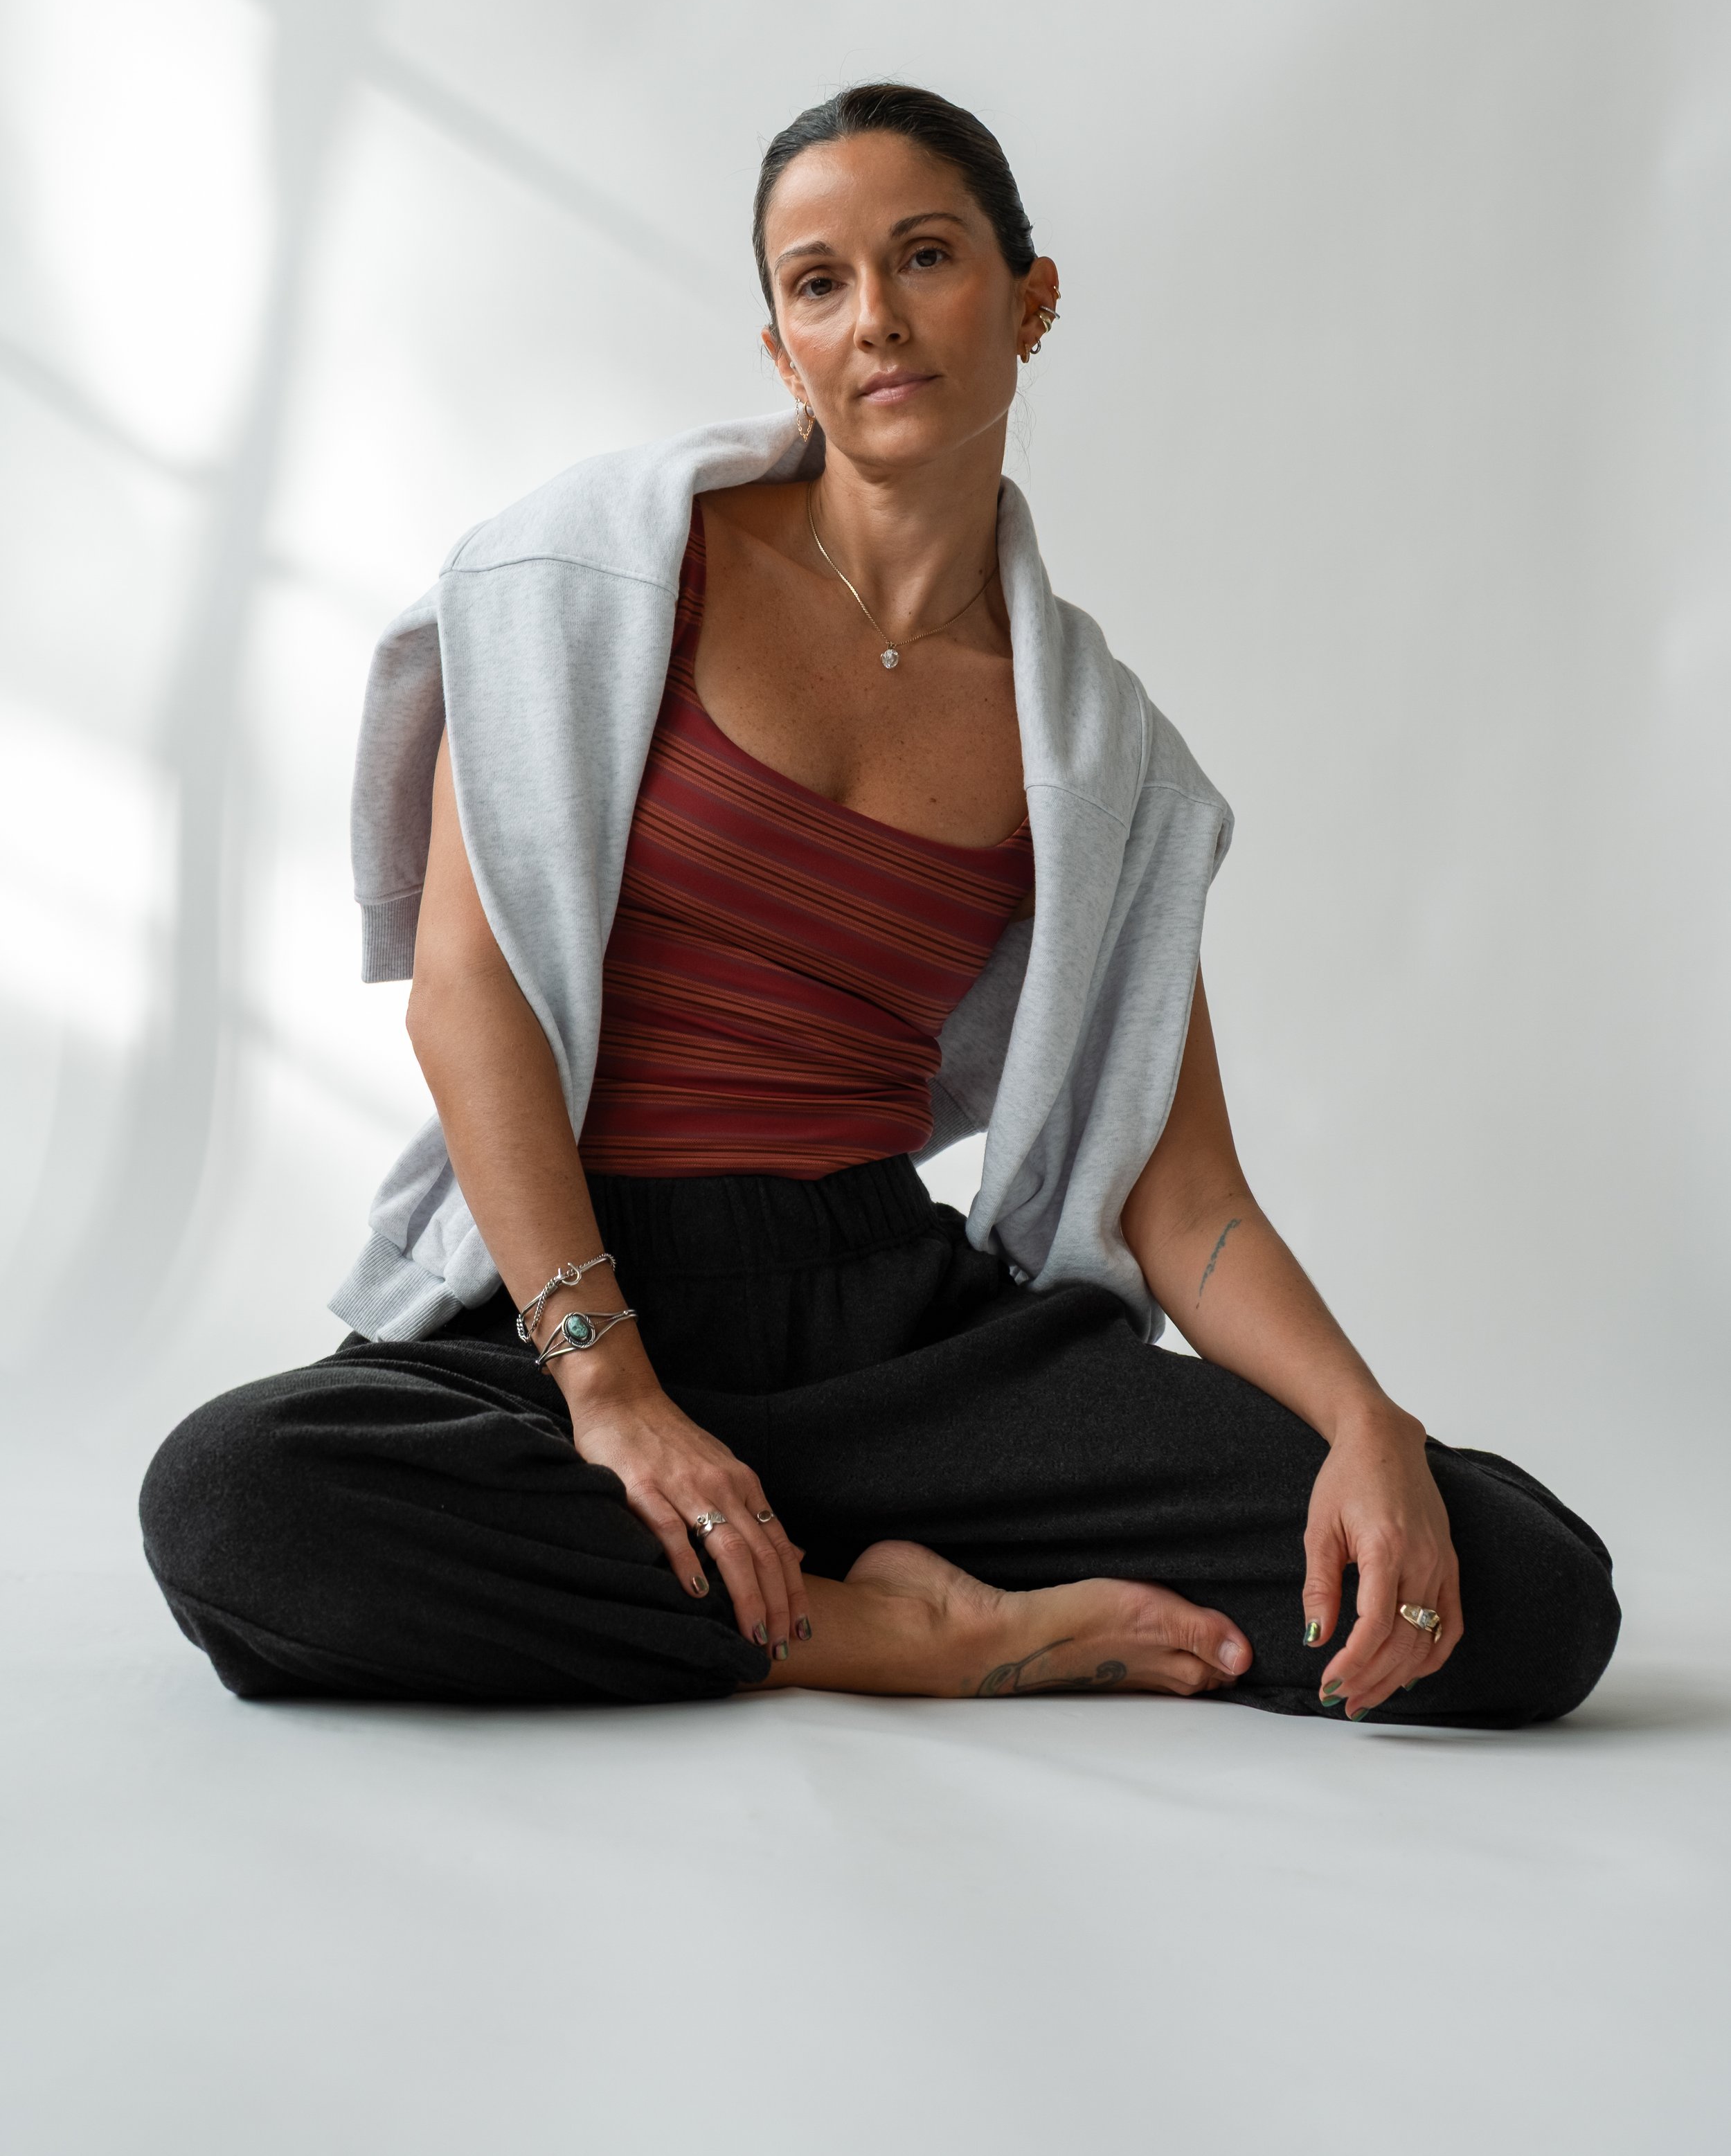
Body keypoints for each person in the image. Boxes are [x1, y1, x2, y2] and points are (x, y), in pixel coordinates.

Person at [141, 83, 1618, 1723]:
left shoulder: (1096, 755)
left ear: (1027, 299)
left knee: (1517, 1591)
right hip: (572, 1296)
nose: (875, 321)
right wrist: (612, 1393)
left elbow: (1181, 1189)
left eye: (924, 257)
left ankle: (757, 1573)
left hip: (889, 1334)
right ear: (779, 345)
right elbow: (465, 992)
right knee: (240, 1501)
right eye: (818, 282)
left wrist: (1363, 1423)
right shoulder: (592, 579)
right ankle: (898, 1635)